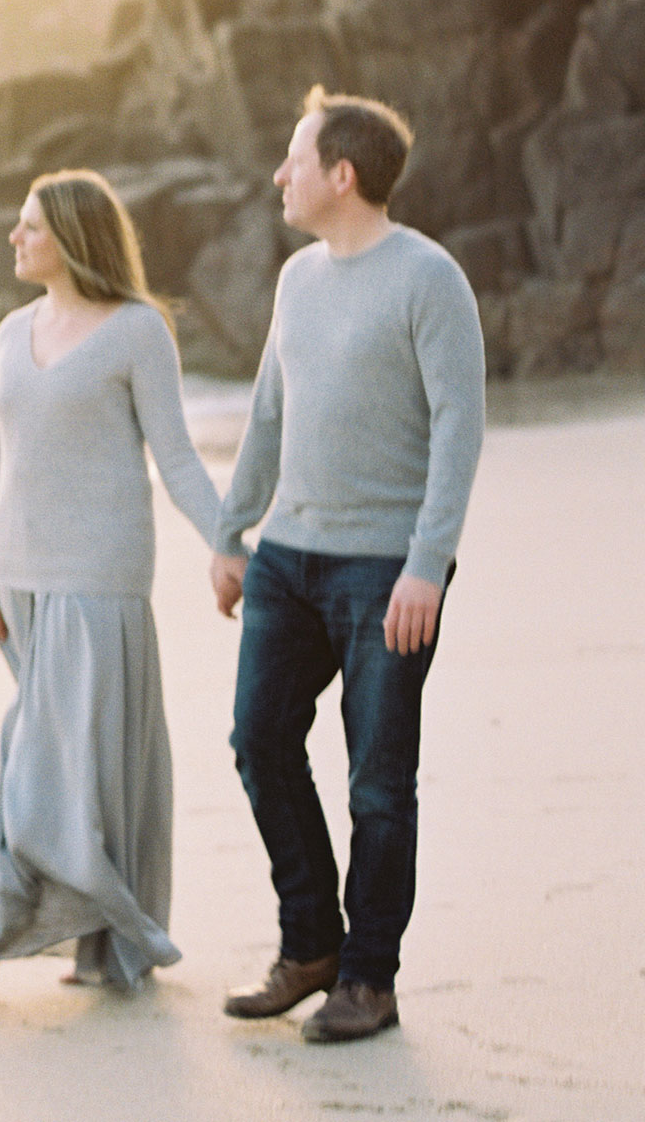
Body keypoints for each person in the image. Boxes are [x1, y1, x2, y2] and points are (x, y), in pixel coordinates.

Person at [211, 87, 485, 1043]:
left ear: (343, 174)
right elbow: (268, 415)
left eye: (295, 159)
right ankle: (310, 945)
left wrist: (427, 563)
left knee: (378, 779)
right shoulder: (297, 280)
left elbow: (459, 425)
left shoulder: (429, 278)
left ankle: (369, 978)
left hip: (386, 571)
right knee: (259, 741)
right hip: (289, 556)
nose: (279, 175)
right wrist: (230, 531)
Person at [0, 169, 221, 998]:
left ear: (76, 239)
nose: (14, 238)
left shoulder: (136, 332)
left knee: (37, 767)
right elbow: (5, 462)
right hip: (20, 581)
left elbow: (178, 456)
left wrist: (229, 544)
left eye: (31, 227)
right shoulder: (12, 332)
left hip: (98, 579)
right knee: (80, 768)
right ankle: (109, 945)